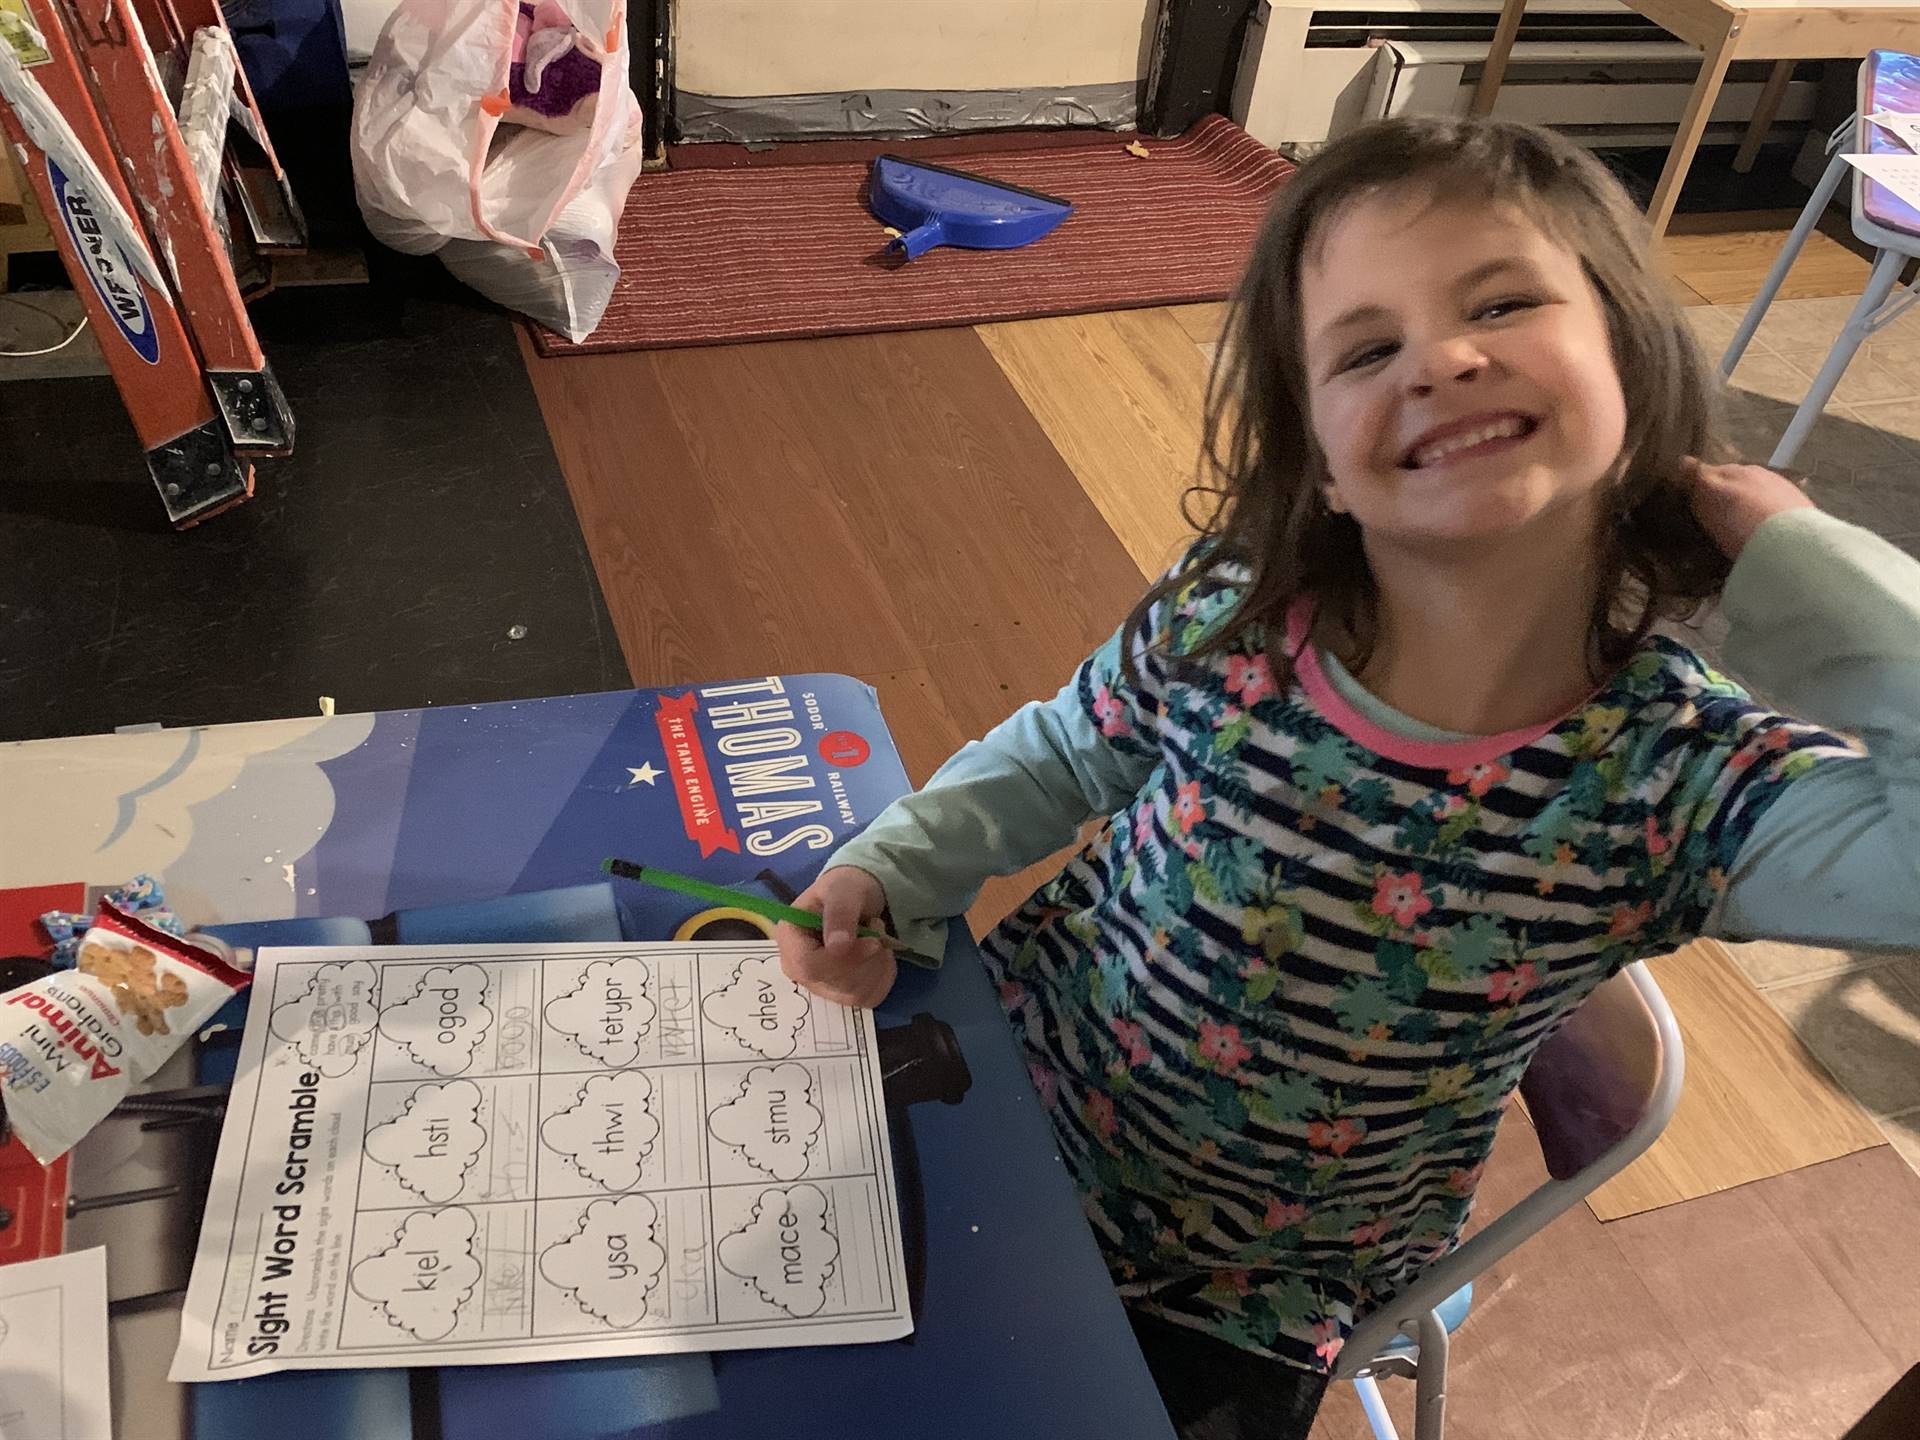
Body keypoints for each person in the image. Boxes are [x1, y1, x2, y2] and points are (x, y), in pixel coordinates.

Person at [776, 115, 1920, 1440]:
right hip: (996, 1096)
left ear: (1632, 361)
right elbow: (1065, 748)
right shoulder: (1238, 610)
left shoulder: (1679, 778)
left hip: (1238, 1292)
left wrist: (1795, 559)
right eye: (1368, 348)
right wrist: (894, 867)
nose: (1440, 356)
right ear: (1318, 456)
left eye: (1501, 300)